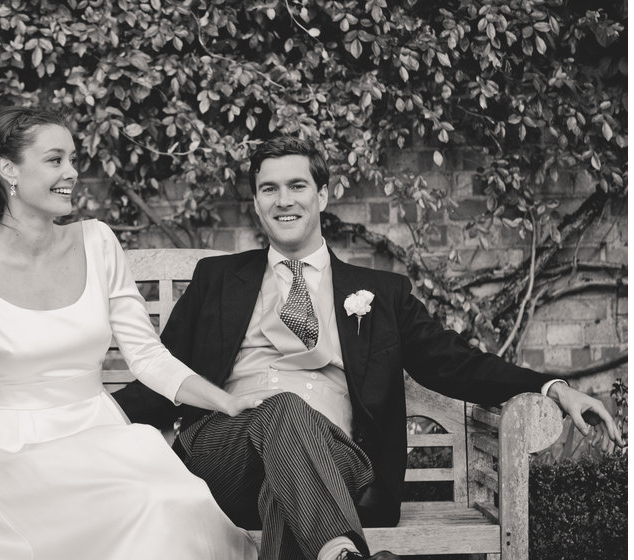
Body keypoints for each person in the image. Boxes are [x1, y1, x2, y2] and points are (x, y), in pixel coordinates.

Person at [113, 136, 623, 560]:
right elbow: (164, 368)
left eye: (297, 186)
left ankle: (336, 552)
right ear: (256, 203)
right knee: (281, 414)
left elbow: (453, 362)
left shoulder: (380, 293)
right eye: (269, 189)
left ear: (324, 195)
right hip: (226, 453)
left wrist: (550, 386)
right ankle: (342, 551)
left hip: (340, 460)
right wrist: (85, 415)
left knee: (285, 487)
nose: (283, 200)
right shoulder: (218, 278)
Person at [0, 106, 268, 560]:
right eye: (55, 160)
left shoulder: (97, 242)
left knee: (173, 501)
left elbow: (147, 355)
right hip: (15, 455)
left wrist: (227, 401)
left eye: (73, 159)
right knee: (140, 507)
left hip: (102, 436)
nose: (72, 173)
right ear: (7, 170)